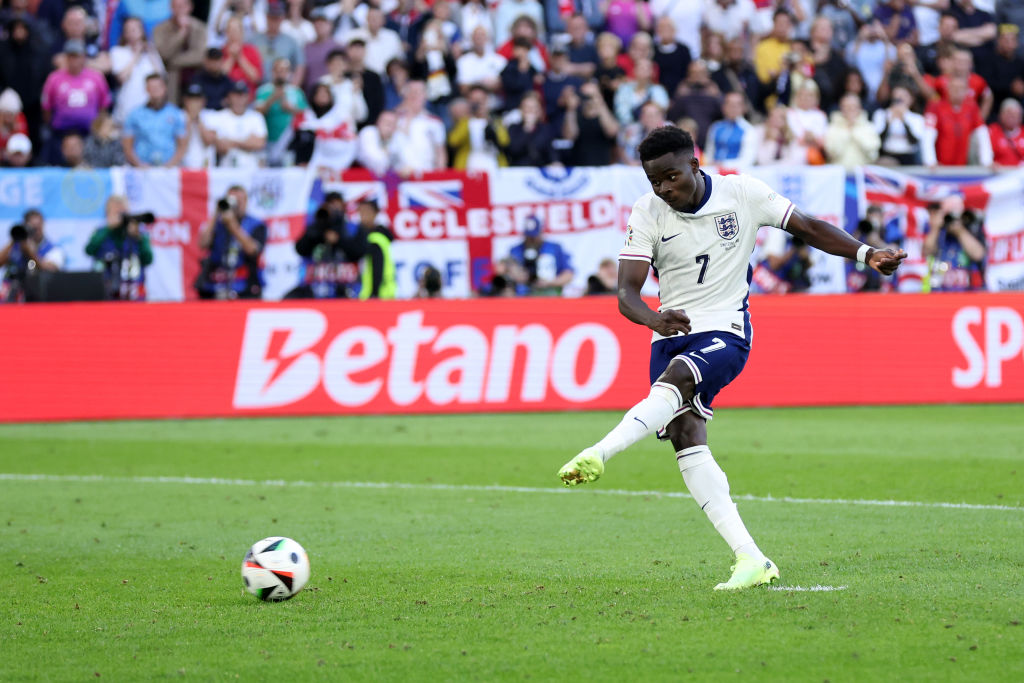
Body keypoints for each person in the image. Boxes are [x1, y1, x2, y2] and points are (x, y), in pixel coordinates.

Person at [557, 126, 906, 590]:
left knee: (680, 379)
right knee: (685, 435)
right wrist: (653, 320)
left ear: (694, 165)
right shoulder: (647, 212)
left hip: (725, 329)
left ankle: (599, 452)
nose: (663, 189)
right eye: (654, 181)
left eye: (670, 177)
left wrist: (866, 253)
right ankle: (751, 559)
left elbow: (807, 227)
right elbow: (626, 293)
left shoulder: (742, 193)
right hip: (670, 331)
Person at [287, 192, 368, 299]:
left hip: (347, 290)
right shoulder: (316, 228)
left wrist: (338, 240)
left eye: (337, 205)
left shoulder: (352, 229)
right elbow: (300, 249)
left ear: (343, 207)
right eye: (330, 206)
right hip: (316, 291)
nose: (334, 209)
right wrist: (318, 232)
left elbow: (359, 252)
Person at [196, 185, 266, 299]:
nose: (236, 205)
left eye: (239, 200)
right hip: (214, 284)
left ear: (246, 202)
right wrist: (216, 213)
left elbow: (253, 250)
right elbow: (202, 244)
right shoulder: (217, 224)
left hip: (245, 285)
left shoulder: (256, 225)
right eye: (232, 200)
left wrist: (232, 225)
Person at [84, 197, 154, 301]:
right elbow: (89, 250)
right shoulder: (101, 232)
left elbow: (148, 259)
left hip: (133, 293)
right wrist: (109, 228)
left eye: (123, 211)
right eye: (116, 211)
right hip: (106, 293)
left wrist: (138, 237)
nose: (121, 215)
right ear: (108, 213)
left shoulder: (139, 234)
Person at [122, 74, 189, 167]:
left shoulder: (176, 114)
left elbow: (182, 145)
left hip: (168, 169)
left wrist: (170, 166)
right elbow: (127, 145)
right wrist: (139, 164)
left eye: (158, 87)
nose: (155, 91)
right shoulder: (135, 115)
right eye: (152, 87)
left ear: (164, 88)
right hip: (142, 170)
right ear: (146, 89)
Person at [922, 196, 987, 292]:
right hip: (939, 291)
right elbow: (926, 252)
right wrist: (935, 228)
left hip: (969, 292)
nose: (951, 219)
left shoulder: (973, 228)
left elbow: (978, 255)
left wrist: (960, 231)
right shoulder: (936, 231)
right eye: (948, 214)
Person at [110, 16, 167, 124]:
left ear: (142, 31)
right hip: (127, 107)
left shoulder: (151, 52)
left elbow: (161, 78)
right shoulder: (118, 52)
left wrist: (151, 54)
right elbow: (122, 77)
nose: (132, 33)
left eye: (135, 29)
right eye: (128, 30)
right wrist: (136, 55)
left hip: (150, 109)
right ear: (124, 33)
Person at [0, 209, 64, 303]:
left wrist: (29, 253)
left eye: (39, 226)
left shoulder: (53, 249)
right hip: (12, 294)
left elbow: (50, 269)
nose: (36, 231)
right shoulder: (16, 248)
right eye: (33, 227)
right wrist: (15, 239)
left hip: (38, 296)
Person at [254, 57, 307, 166]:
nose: (280, 74)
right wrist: (272, 98)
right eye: (277, 70)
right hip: (267, 141)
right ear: (272, 72)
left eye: (283, 71)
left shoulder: (296, 92)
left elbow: (306, 115)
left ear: (289, 73)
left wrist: (290, 108)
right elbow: (256, 114)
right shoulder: (263, 91)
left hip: (289, 142)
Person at [153, 0, 207, 104]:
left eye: (183, 6)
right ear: (171, 8)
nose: (180, 9)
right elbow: (163, 54)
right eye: (176, 6)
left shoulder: (200, 28)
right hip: (171, 82)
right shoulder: (160, 29)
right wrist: (181, 34)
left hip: (196, 79)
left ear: (190, 7)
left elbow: (200, 56)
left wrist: (171, 61)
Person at [205, 80, 269, 168]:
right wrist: (247, 141)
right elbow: (221, 147)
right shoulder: (219, 116)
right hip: (226, 169)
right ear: (229, 97)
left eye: (242, 95)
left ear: (248, 97)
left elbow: (259, 143)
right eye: (236, 95)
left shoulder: (256, 117)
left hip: (251, 169)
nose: (239, 99)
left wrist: (231, 141)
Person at [508, 215, 574, 296]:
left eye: (534, 236)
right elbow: (505, 272)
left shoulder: (554, 248)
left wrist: (550, 282)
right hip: (523, 295)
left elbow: (568, 274)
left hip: (550, 294)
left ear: (540, 232)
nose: (531, 240)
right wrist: (515, 275)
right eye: (529, 236)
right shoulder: (516, 250)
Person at [824, 93, 882, 169]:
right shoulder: (832, 127)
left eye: (854, 106)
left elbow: (873, 154)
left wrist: (855, 132)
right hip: (839, 173)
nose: (851, 110)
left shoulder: (869, 127)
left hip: (863, 173)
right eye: (847, 107)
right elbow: (831, 153)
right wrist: (847, 133)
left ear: (860, 107)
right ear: (841, 108)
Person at [355, 199, 397, 300]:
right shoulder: (366, 235)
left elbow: (378, 266)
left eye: (366, 212)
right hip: (383, 293)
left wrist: (374, 293)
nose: (362, 215)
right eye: (360, 212)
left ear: (375, 214)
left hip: (378, 295)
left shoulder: (375, 238)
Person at [989, 98, 1024, 167]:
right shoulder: (992, 131)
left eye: (1015, 114)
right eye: (1008, 113)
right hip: (999, 175)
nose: (1011, 116)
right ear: (1000, 115)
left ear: (1020, 117)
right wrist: (990, 163)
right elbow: (985, 157)